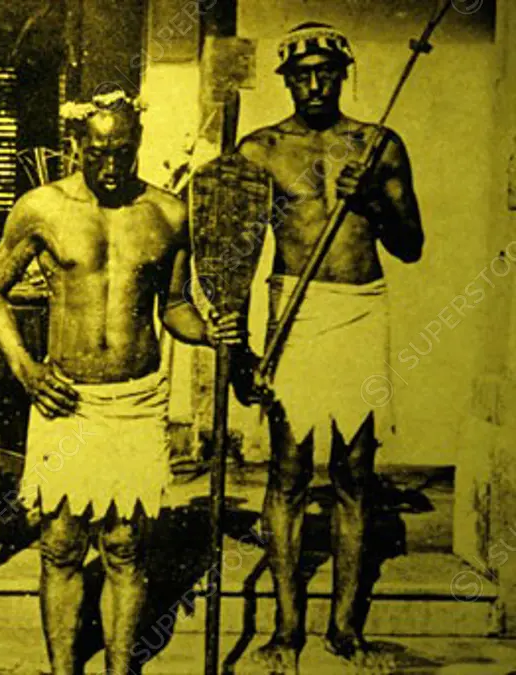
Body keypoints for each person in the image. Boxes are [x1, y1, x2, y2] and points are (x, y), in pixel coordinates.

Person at [0, 88, 246, 675]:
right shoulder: (41, 208)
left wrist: (212, 332)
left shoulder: (170, 214)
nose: (109, 164)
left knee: (125, 547)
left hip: (136, 400)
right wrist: (25, 367)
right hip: (63, 399)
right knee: (62, 544)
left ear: (137, 143)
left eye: (121, 150)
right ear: (77, 144)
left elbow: (173, 306)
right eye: (97, 151)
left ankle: (121, 669)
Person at [236, 22, 423, 671]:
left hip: (359, 310)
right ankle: (287, 631)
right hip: (295, 310)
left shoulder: (378, 146)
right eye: (302, 74)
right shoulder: (260, 151)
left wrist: (371, 197)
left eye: (326, 73)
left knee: (353, 473)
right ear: (286, 80)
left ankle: (345, 627)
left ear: (343, 76)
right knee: (287, 473)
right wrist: (238, 349)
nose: (315, 85)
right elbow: (231, 254)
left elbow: (411, 245)